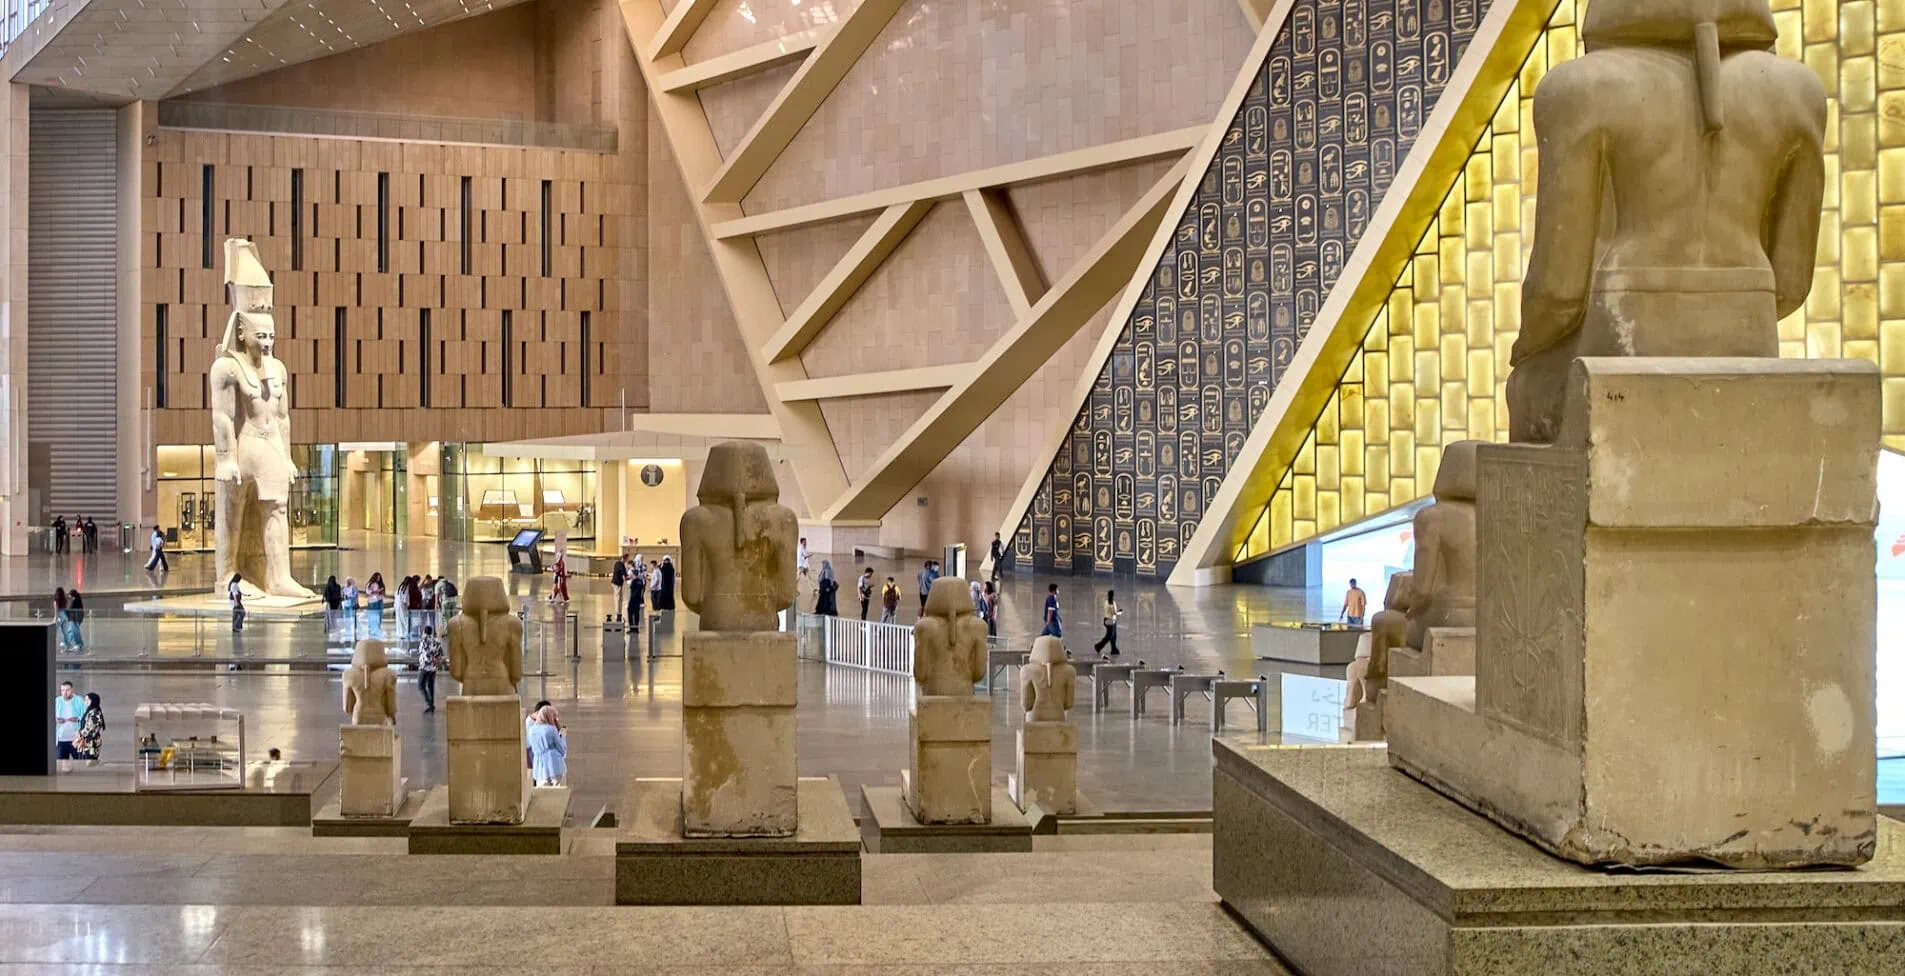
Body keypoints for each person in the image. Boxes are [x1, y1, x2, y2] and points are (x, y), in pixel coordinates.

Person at [527, 705, 567, 787]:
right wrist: (563, 736)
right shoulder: (551, 729)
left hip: (539, 768)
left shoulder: (532, 730)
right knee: (558, 794)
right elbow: (562, 750)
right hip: (555, 766)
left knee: (543, 793)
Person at [416, 625, 446, 712]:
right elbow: (441, 654)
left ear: (424, 632)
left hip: (425, 667)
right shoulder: (436, 642)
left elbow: (424, 653)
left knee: (420, 685)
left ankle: (429, 703)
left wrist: (429, 660)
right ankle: (432, 705)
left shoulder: (424, 641)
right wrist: (437, 662)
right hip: (433, 668)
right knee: (430, 686)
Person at [54, 682, 84, 765]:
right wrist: (56, 720)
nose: (65, 692)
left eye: (67, 690)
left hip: (76, 739)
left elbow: (85, 716)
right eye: (62, 690)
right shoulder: (57, 701)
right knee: (61, 765)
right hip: (61, 739)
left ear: (72, 690)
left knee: (79, 764)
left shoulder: (79, 700)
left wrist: (78, 718)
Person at [75, 692, 103, 765]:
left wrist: (79, 735)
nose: (85, 702)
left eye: (88, 700)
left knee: (89, 764)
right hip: (86, 744)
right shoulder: (90, 711)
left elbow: (90, 728)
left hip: (90, 745)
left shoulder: (95, 713)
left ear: (93, 701)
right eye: (85, 700)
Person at [1093, 589, 1123, 656]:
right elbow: (1114, 613)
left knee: (1113, 635)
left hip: (1106, 620)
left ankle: (1113, 648)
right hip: (1111, 621)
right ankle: (1098, 646)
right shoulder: (1112, 603)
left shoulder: (1106, 602)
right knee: (1110, 636)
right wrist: (1120, 612)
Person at [365, 572, 387, 639]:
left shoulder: (380, 584)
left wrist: (381, 592)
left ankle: (378, 629)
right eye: (377, 577)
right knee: (373, 615)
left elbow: (383, 593)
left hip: (379, 600)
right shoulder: (370, 584)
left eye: (379, 578)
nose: (378, 579)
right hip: (372, 601)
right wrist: (377, 591)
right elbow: (368, 593)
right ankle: (372, 630)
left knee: (379, 615)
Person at [611, 555, 630, 622]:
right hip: (617, 584)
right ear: (625, 559)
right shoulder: (622, 565)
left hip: (615, 582)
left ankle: (619, 613)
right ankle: (618, 614)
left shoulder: (617, 563)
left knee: (619, 598)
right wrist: (632, 577)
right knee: (618, 599)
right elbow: (624, 578)